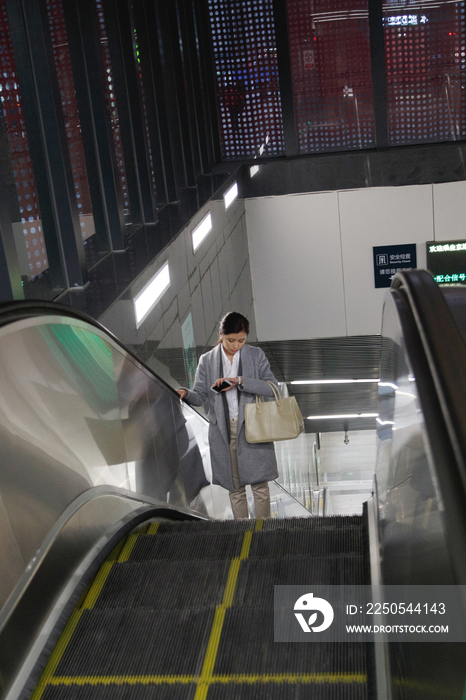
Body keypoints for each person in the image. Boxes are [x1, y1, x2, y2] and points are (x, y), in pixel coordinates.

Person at [177, 311, 279, 519]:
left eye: (241, 340)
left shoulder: (256, 355)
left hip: (252, 425)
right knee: (234, 487)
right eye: (231, 340)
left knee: (260, 486)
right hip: (223, 429)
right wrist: (187, 394)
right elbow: (201, 396)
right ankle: (242, 532)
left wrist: (240, 381)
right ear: (221, 334)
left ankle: (263, 529)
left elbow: (271, 387)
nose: (236, 345)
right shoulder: (207, 361)